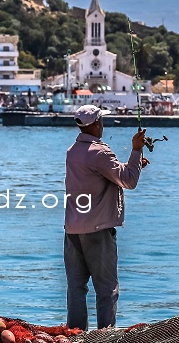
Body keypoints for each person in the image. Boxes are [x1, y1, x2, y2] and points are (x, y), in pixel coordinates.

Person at [64, 104, 149, 330]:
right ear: (96, 124)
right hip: (98, 230)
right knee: (107, 289)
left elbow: (103, 174)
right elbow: (128, 181)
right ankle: (105, 338)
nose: (103, 125)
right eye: (101, 120)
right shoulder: (100, 152)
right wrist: (136, 150)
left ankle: (76, 336)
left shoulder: (72, 151)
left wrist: (134, 165)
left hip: (72, 229)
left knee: (76, 288)